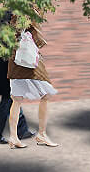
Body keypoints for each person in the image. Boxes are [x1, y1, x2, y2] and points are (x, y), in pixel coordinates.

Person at [5, 17, 58, 149]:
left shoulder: (10, 19)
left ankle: (13, 137)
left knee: (16, 100)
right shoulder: (24, 15)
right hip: (30, 65)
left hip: (16, 64)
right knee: (46, 94)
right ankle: (41, 134)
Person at [0, 13, 33, 145]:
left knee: (13, 100)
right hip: (6, 75)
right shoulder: (4, 39)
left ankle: (23, 130)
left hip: (1, 74)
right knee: (7, 103)